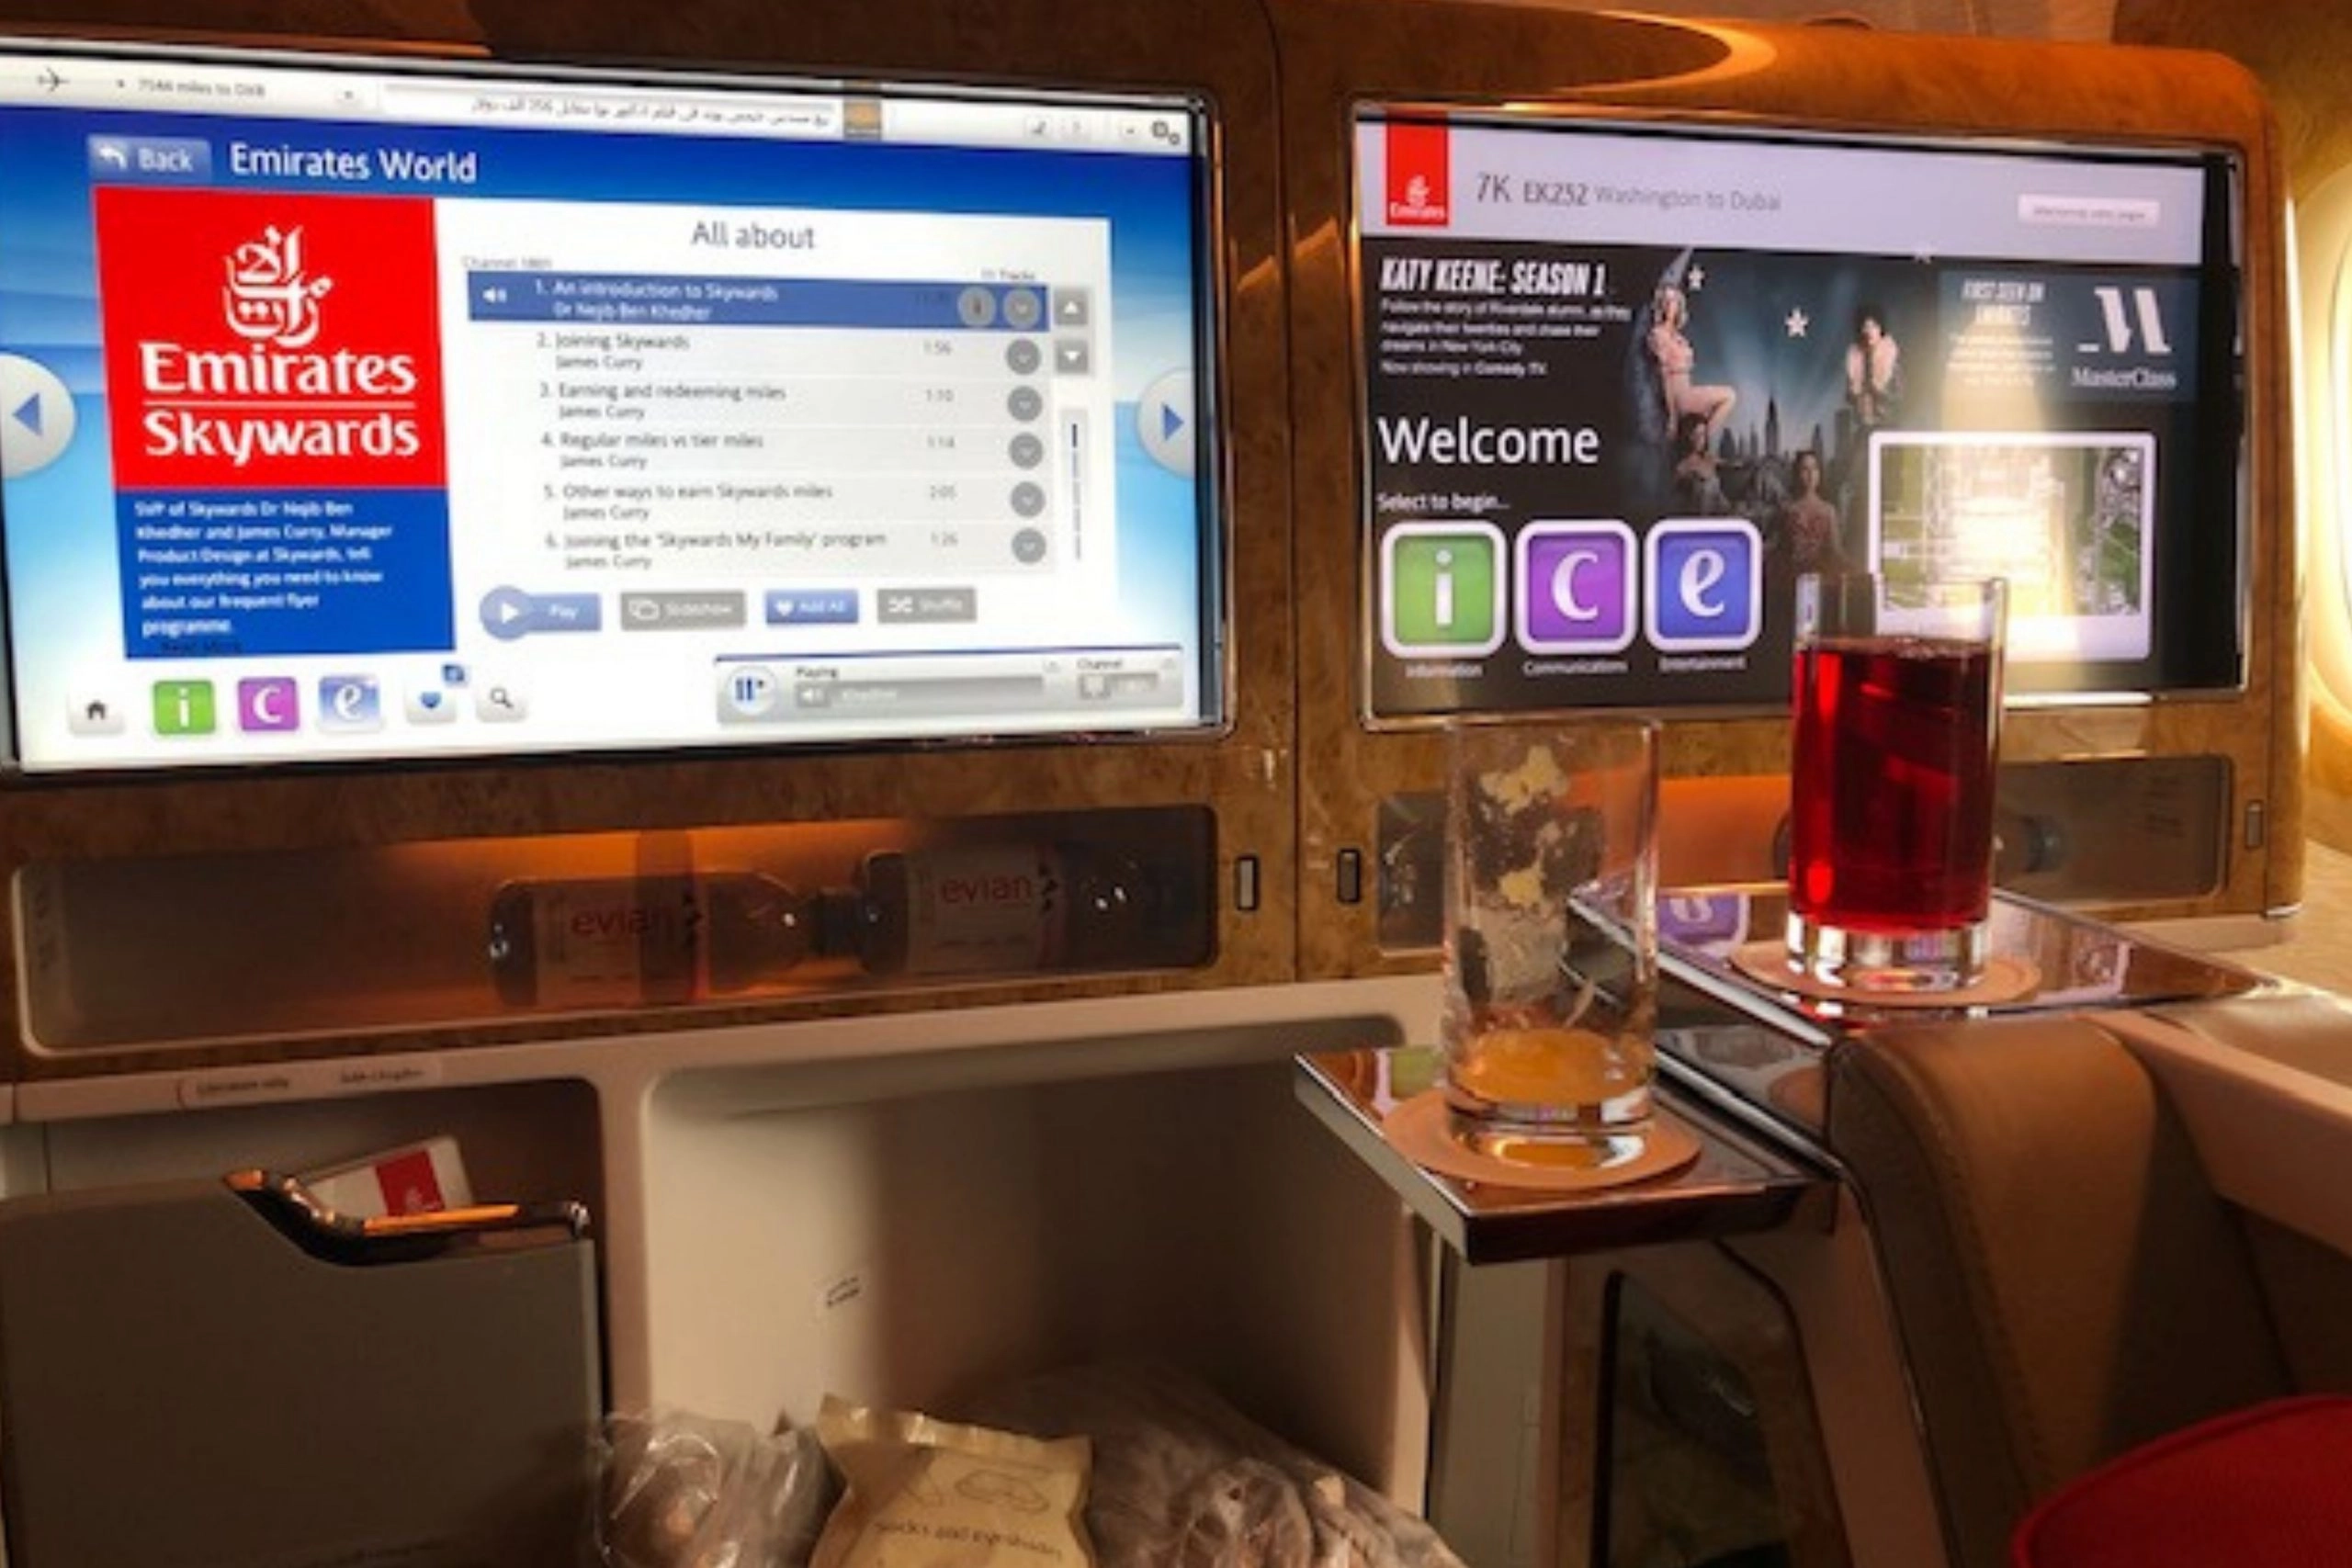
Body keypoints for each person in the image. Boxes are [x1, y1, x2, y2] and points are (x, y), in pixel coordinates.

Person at [1647, 283, 1736, 443]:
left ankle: (1702, 442)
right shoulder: (1658, 335)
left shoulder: (1678, 337)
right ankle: (1705, 443)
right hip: (1679, 399)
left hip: (1688, 393)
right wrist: (1672, 416)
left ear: (1679, 305)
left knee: (1728, 397)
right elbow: (1665, 376)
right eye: (1666, 301)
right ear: (1661, 305)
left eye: (1674, 301)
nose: (1670, 305)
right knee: (1729, 395)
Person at [1780, 448, 1843, 570]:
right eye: (1805, 469)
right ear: (1797, 473)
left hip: (1821, 575)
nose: (1810, 475)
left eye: (1814, 469)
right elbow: (1781, 550)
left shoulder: (1828, 511)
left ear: (1820, 473)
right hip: (1792, 577)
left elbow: (1836, 551)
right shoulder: (1787, 510)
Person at [1845, 305, 1902, 430]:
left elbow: (1899, 395)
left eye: (1873, 326)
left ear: (1881, 329)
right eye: (1866, 327)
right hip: (1862, 424)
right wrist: (1857, 394)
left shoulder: (1891, 356)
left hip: (1887, 424)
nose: (1869, 331)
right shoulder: (1855, 356)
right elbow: (1848, 395)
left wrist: (1878, 390)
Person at [1670, 412, 1726, 515]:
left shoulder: (1708, 459)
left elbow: (1728, 465)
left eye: (1703, 435)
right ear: (1688, 436)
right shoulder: (1683, 467)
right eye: (1696, 434)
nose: (1701, 439)